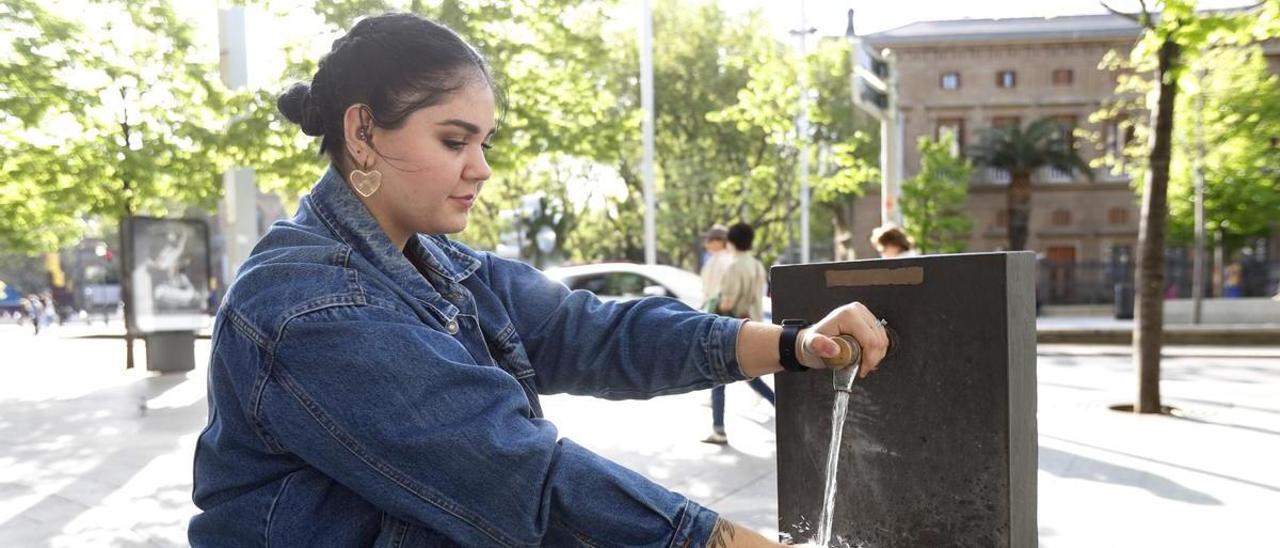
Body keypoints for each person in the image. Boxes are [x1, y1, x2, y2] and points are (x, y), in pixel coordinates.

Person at [188, 13, 889, 548]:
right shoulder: (308, 305)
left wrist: (796, 344)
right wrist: (719, 539)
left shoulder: (434, 260)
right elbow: (516, 475)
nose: (481, 168)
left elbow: (593, 330)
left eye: (483, 144)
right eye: (454, 141)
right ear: (363, 132)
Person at [703, 222, 776, 445]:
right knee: (749, 376)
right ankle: (781, 407)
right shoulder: (757, 265)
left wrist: (713, 303)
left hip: (732, 330)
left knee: (717, 377)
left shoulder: (733, 267)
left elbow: (727, 304)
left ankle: (718, 429)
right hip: (754, 326)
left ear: (730, 241)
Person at [700, 224, 731, 313]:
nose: (706, 244)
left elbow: (712, 290)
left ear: (719, 242)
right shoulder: (723, 259)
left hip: (716, 309)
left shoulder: (720, 260)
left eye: (709, 240)